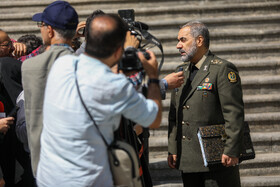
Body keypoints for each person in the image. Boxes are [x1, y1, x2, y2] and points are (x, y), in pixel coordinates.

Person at [37, 14, 162, 187]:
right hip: (88, 181)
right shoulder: (115, 86)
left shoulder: (61, 64)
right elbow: (153, 119)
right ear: (118, 50)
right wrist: (153, 76)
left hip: (49, 178)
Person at [167, 21, 244, 187]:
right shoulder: (180, 72)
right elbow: (174, 115)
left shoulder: (222, 69)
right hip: (188, 158)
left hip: (217, 158)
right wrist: (173, 148)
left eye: (182, 40)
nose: (178, 45)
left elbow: (233, 114)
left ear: (199, 41)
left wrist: (231, 149)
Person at [21, 0, 78, 177]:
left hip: (47, 164)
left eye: (42, 24)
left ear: (50, 30)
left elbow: (33, 121)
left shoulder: (31, 66)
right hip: (83, 163)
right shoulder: (87, 66)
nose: (41, 29)